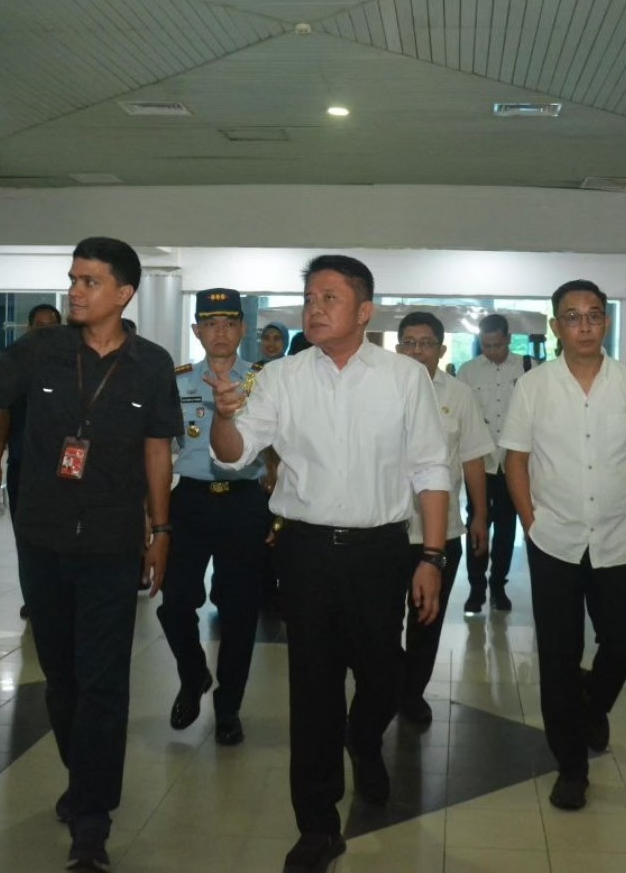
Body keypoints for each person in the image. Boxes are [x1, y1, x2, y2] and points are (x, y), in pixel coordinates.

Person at [0, 237, 181, 873]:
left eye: (88, 282)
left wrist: (161, 530)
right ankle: (83, 777)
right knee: (62, 682)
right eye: (73, 279)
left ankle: (92, 819)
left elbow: (157, 450)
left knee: (103, 683)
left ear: (123, 293)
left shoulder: (151, 364)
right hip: (44, 539)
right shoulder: (41, 349)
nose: (74, 291)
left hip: (112, 544)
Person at [207, 255, 448, 873]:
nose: (314, 308)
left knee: (383, 674)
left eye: (329, 298)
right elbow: (234, 455)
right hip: (306, 550)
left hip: (381, 551)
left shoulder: (404, 378)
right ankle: (317, 825)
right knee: (313, 688)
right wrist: (226, 416)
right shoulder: (282, 377)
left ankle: (364, 741)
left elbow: (430, 468)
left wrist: (432, 557)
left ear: (364, 311)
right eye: (310, 298)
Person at [499, 279, 626, 811]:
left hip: (619, 538)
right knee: (559, 656)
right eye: (572, 317)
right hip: (554, 540)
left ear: (606, 322)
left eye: (594, 315)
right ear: (556, 326)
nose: (584, 326)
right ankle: (571, 768)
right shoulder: (534, 386)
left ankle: (591, 705)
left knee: (624, 642)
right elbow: (515, 460)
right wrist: (531, 522)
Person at [158, 288, 272, 747]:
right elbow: (160, 449)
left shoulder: (264, 380)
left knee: (239, 610)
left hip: (244, 502)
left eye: (228, 323)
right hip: (191, 500)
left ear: (242, 329)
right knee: (174, 601)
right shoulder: (178, 380)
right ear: (196, 330)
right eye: (210, 324)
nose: (220, 332)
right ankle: (193, 675)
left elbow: (281, 446)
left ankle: (229, 708)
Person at [393, 311, 492, 726]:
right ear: (398, 348)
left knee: (426, 620)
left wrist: (479, 516)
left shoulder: (459, 395)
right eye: (409, 343)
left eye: (426, 344)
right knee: (378, 622)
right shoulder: (379, 389)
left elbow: (473, 459)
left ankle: (411, 694)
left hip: (440, 532)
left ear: (441, 349)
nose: (417, 351)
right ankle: (388, 686)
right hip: (385, 530)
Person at [0, 302, 62, 620]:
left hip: (63, 471)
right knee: (26, 536)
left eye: (51, 325)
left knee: (60, 536)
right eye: (39, 325)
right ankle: (33, 598)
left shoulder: (72, 365)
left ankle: (58, 596)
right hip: (24, 464)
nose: (45, 331)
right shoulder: (14, 366)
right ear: (30, 329)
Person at [456, 313, 530, 614]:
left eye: (497, 345)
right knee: (477, 523)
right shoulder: (468, 371)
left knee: (507, 529)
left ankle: (499, 586)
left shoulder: (528, 368)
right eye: (486, 345)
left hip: (512, 464)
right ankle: (476, 589)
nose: (491, 351)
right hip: (480, 463)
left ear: (508, 339)